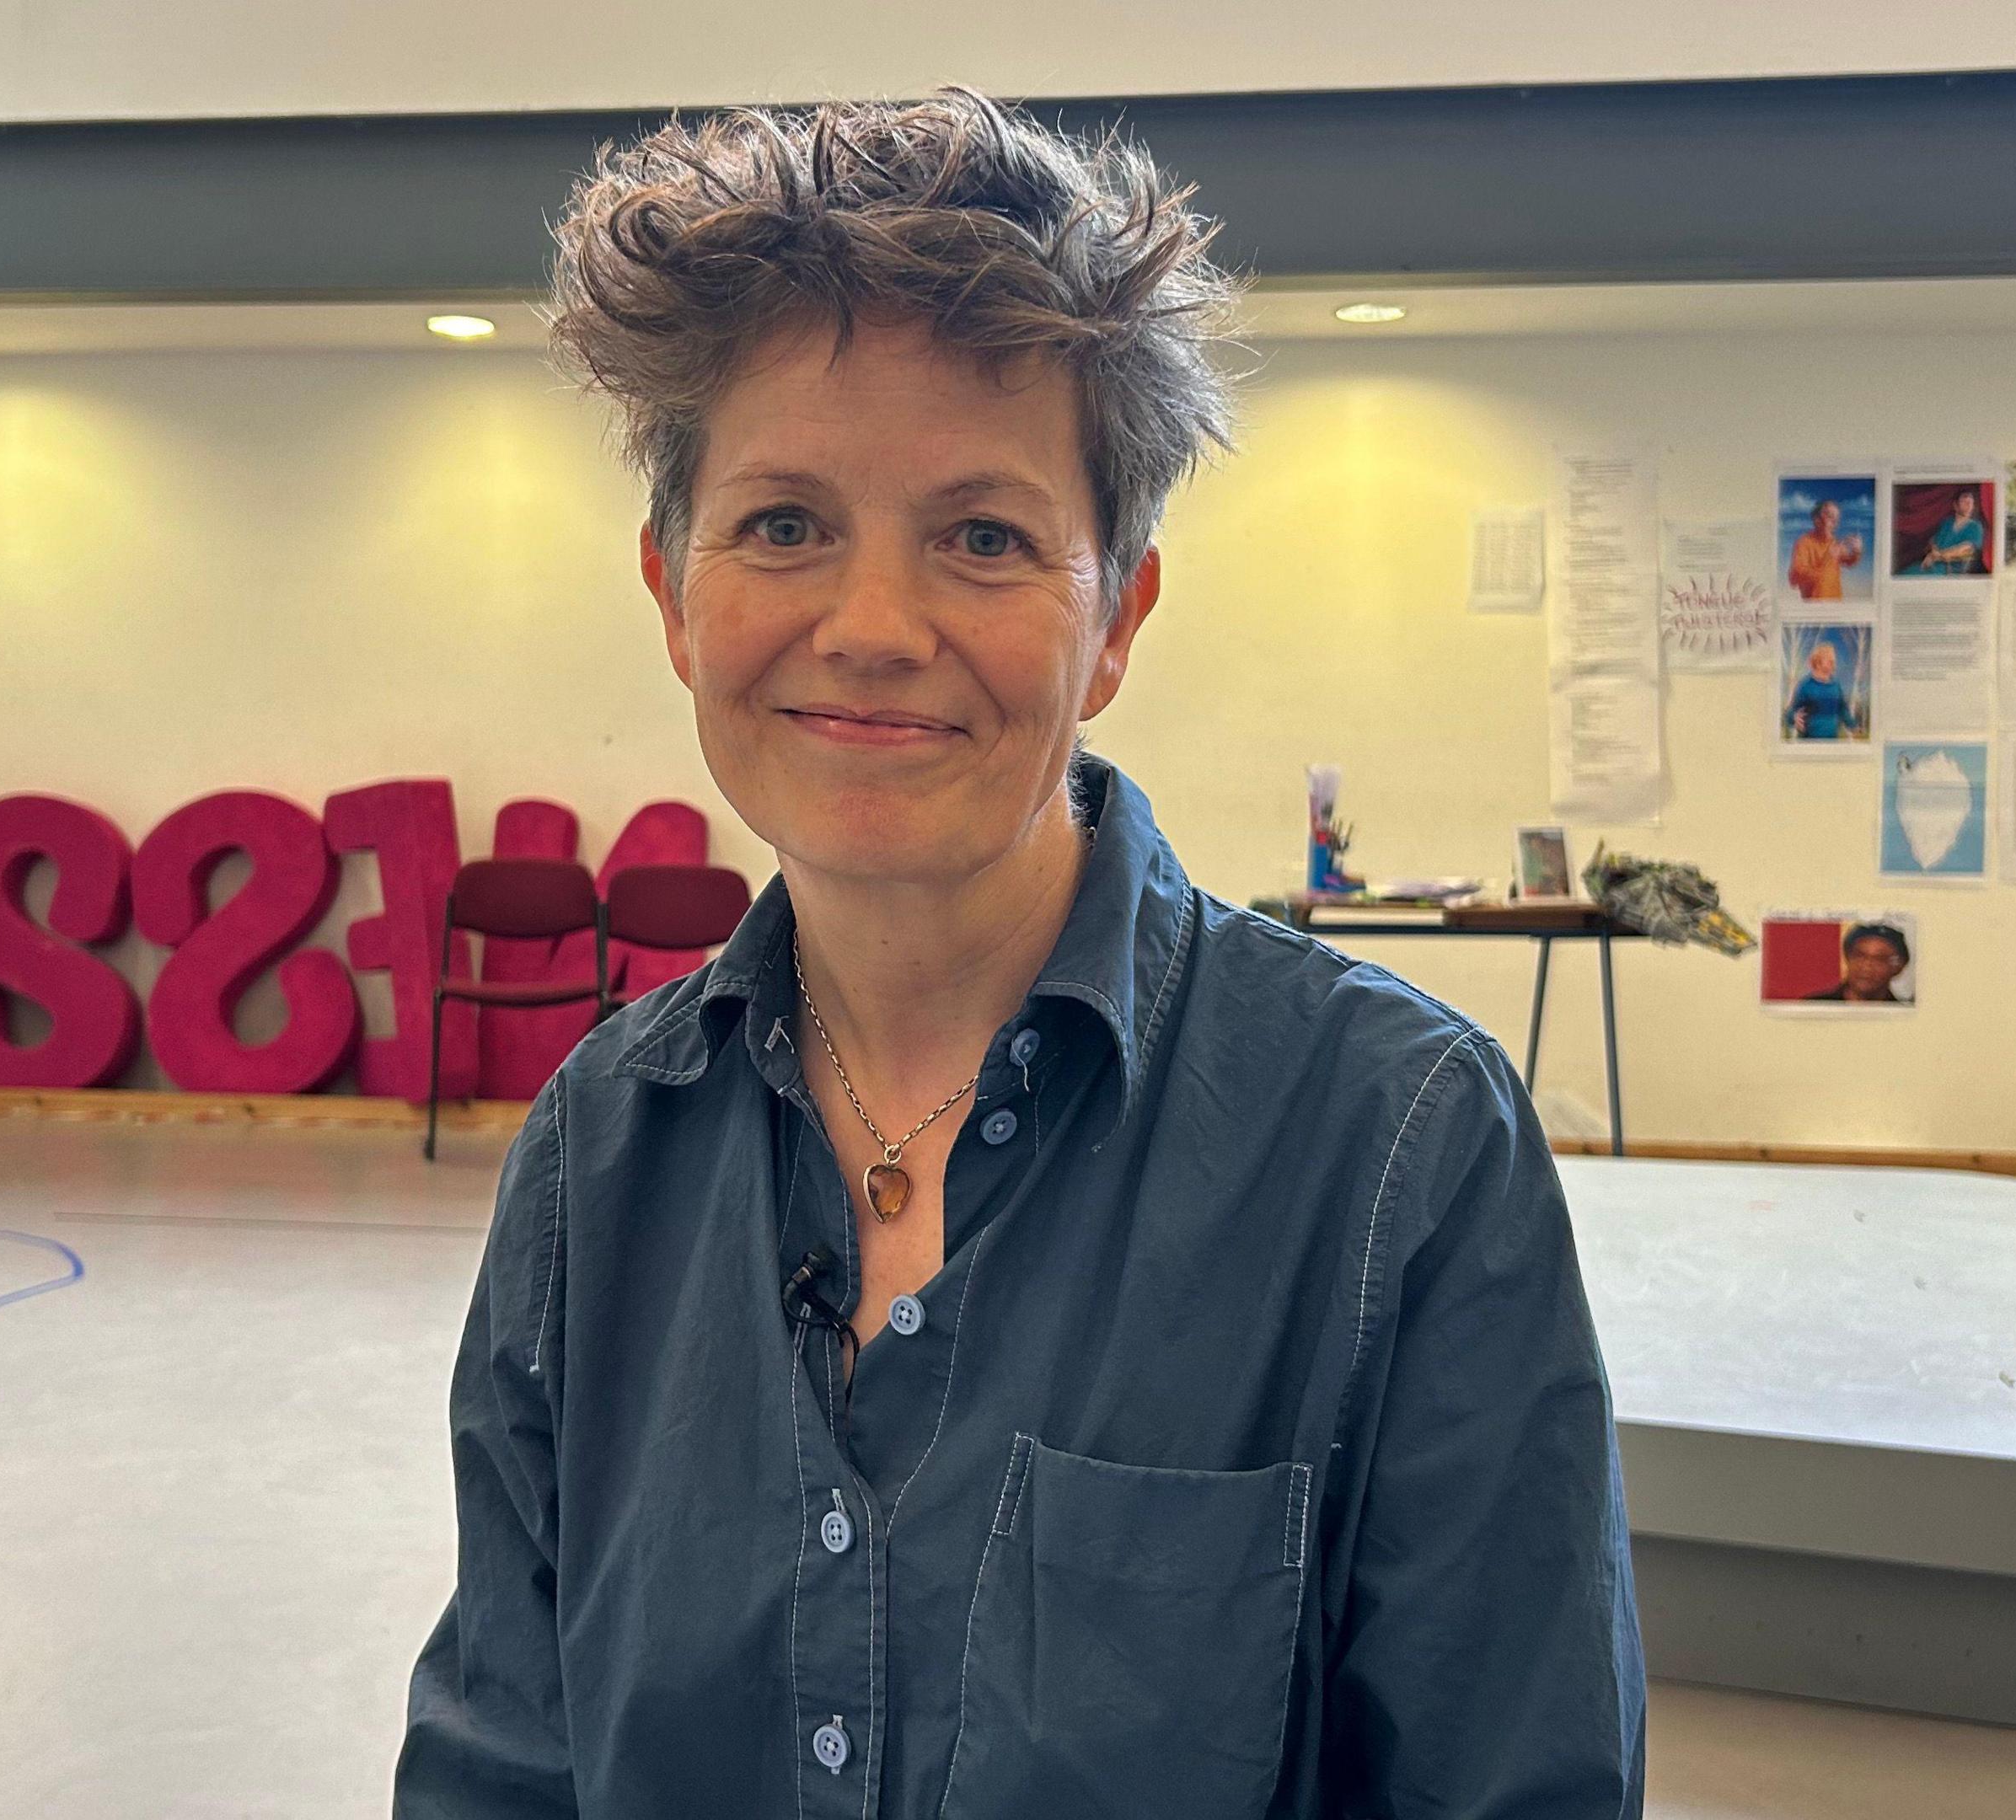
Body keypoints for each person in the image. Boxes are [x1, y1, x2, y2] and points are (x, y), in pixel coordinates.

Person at [396, 90, 1644, 1818]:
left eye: (982, 537)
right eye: (783, 526)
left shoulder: (1398, 1151)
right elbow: (499, 1771)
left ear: (1115, 613)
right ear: (675, 595)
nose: (875, 631)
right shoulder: (599, 1153)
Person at [1802, 923, 1913, 1003]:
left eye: (1879, 959)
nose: (1867, 967)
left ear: (1898, 967)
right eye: (1860, 956)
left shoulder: (1909, 1016)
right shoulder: (1814, 1005)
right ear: (1848, 958)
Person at [1788, 495, 1863, 599]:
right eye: (1830, 516)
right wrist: (1829, 560)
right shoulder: (1804, 542)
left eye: (1837, 518)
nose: (1835, 522)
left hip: (1836, 604)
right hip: (1814, 607)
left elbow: (1849, 562)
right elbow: (1794, 577)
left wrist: (1857, 552)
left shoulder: (1834, 542)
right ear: (1817, 520)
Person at [1787, 636, 1858, 740]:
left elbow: (1843, 709)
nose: (1833, 660)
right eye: (1828, 658)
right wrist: (1793, 718)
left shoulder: (1836, 685)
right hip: (1809, 744)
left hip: (1832, 743)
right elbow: (1791, 712)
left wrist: (1853, 726)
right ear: (1817, 662)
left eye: (1833, 658)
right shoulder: (1805, 686)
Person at [1905, 487, 1989, 574]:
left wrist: (1938, 556)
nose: (1968, 505)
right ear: (1955, 505)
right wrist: (1932, 552)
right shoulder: (1947, 522)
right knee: (1906, 573)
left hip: (1949, 569)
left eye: (1971, 502)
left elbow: (1964, 549)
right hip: (1932, 563)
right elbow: (1934, 541)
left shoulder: (1975, 527)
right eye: (1964, 501)